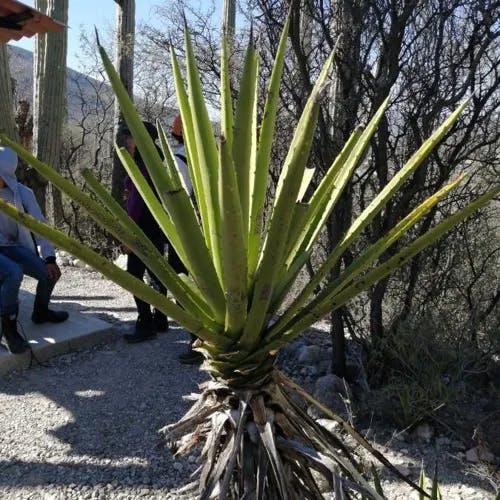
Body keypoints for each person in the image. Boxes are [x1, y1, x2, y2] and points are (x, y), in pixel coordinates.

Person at [0, 146, 68, 355]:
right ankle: (9, 329)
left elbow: (40, 226)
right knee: (13, 273)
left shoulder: (24, 194)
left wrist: (49, 257)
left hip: (12, 247)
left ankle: (41, 311)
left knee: (49, 273)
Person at [170, 115, 203, 365]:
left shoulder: (178, 159)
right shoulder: (204, 156)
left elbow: (177, 197)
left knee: (184, 284)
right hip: (207, 231)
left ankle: (195, 341)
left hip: (184, 230)